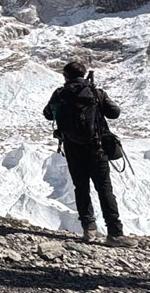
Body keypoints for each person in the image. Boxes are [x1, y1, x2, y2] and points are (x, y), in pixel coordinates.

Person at [42, 61, 131, 246]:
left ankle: (89, 230)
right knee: (105, 189)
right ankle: (115, 233)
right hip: (96, 148)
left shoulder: (60, 93)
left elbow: (48, 114)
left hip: (73, 149)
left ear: (66, 76)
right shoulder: (95, 92)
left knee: (81, 188)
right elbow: (114, 113)